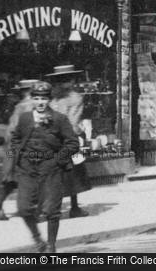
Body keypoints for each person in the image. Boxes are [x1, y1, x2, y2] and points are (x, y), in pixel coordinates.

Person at [10, 81, 79, 253]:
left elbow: (72, 143)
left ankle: (50, 246)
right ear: (31, 99)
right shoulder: (25, 118)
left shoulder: (59, 119)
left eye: (43, 98)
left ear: (49, 100)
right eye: (36, 98)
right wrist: (18, 153)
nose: (40, 102)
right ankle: (37, 240)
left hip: (51, 168)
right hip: (28, 168)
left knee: (51, 210)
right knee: (24, 208)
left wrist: (57, 160)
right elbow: (16, 138)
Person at [46, 65, 92, 218]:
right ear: (71, 80)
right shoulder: (76, 98)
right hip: (67, 141)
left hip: (51, 140)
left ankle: (52, 207)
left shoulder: (52, 98)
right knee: (73, 176)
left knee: (54, 175)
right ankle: (74, 208)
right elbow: (72, 122)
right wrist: (80, 133)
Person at [0, 79, 38, 221]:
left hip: (14, 147)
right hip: (22, 147)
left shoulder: (20, 106)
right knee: (29, 178)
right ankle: (29, 210)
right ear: (30, 91)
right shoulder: (28, 106)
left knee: (12, 181)